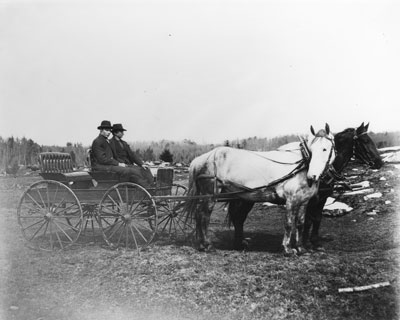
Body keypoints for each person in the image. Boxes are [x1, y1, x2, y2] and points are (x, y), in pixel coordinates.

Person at [91, 120, 154, 188]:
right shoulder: (98, 141)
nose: (109, 132)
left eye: (109, 130)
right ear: (101, 130)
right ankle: (145, 188)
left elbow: (128, 155)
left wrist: (141, 163)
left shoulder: (106, 141)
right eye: (106, 130)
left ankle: (150, 186)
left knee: (139, 170)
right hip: (102, 167)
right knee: (129, 171)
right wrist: (118, 163)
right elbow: (102, 159)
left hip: (109, 165)